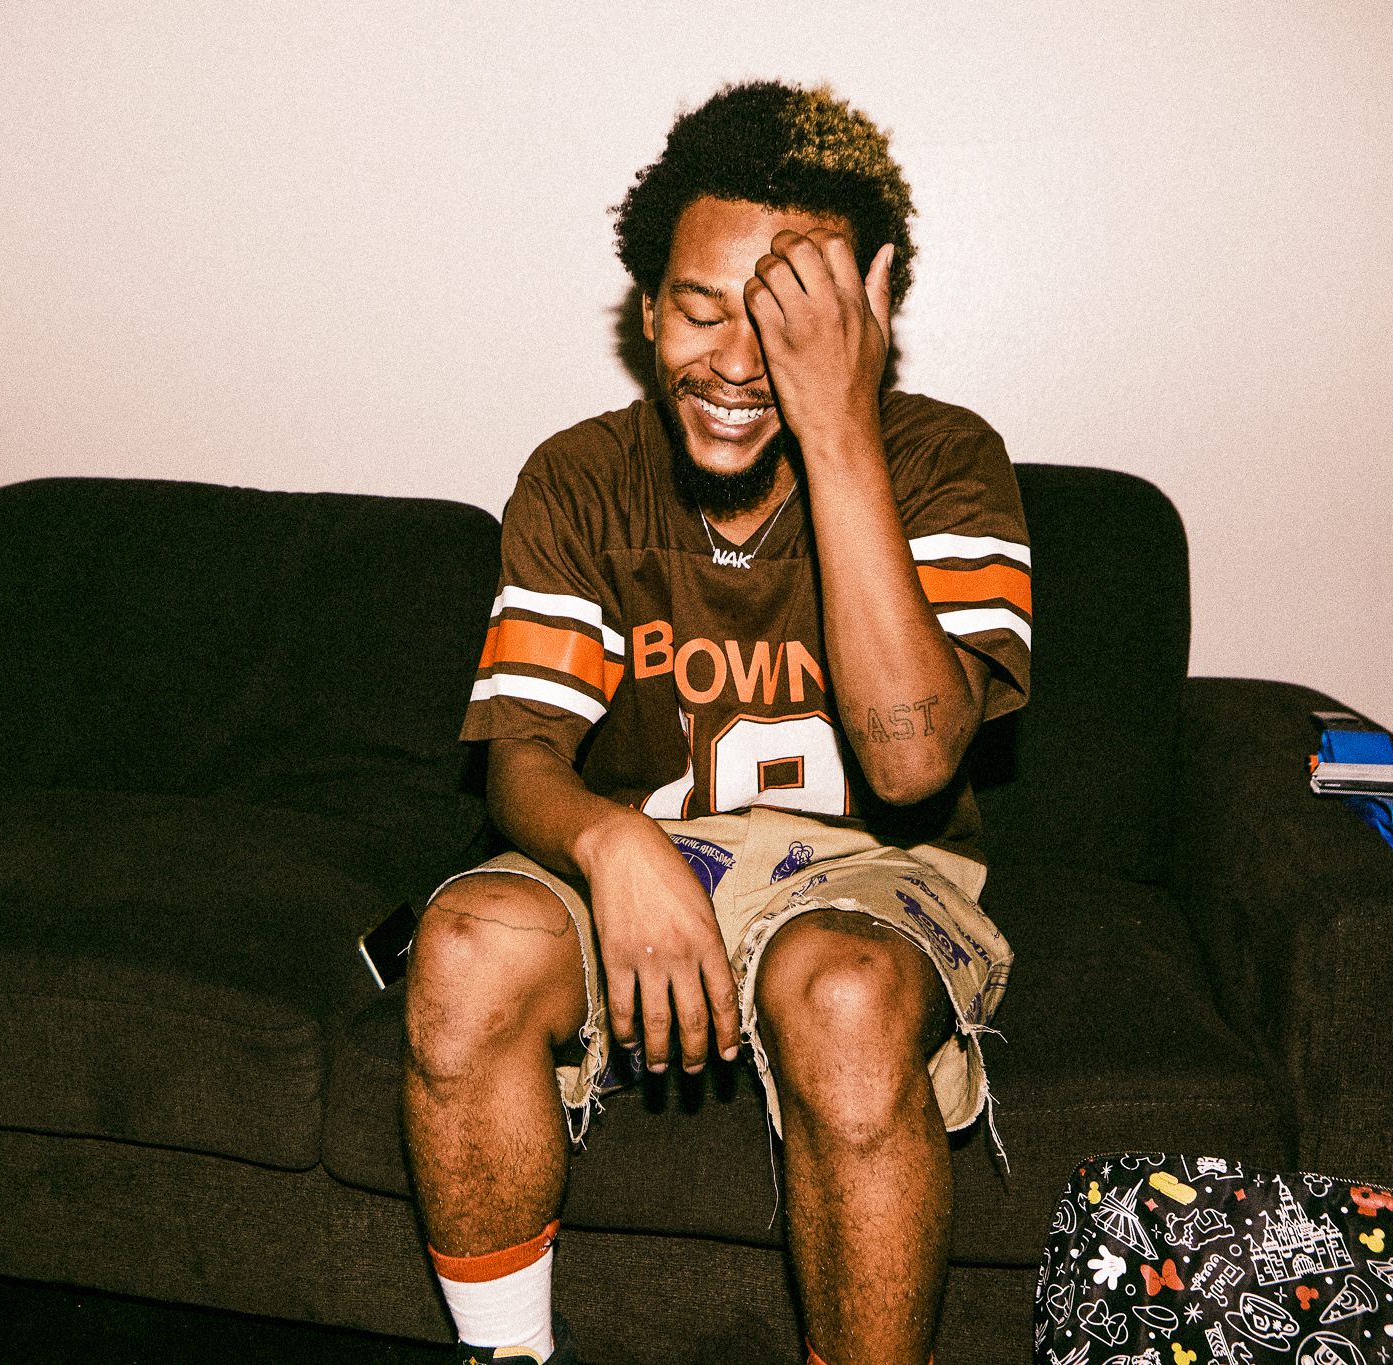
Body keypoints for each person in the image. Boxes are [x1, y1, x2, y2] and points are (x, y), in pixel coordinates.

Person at [402, 80, 1031, 1365]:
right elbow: (521, 762)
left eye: (783, 327)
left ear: (865, 321)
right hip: (651, 849)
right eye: (699, 311)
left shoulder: (941, 460)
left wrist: (836, 427)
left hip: (866, 873)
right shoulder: (581, 476)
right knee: (464, 945)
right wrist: (611, 844)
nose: (737, 365)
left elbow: (912, 761)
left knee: (841, 994)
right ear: (644, 310)